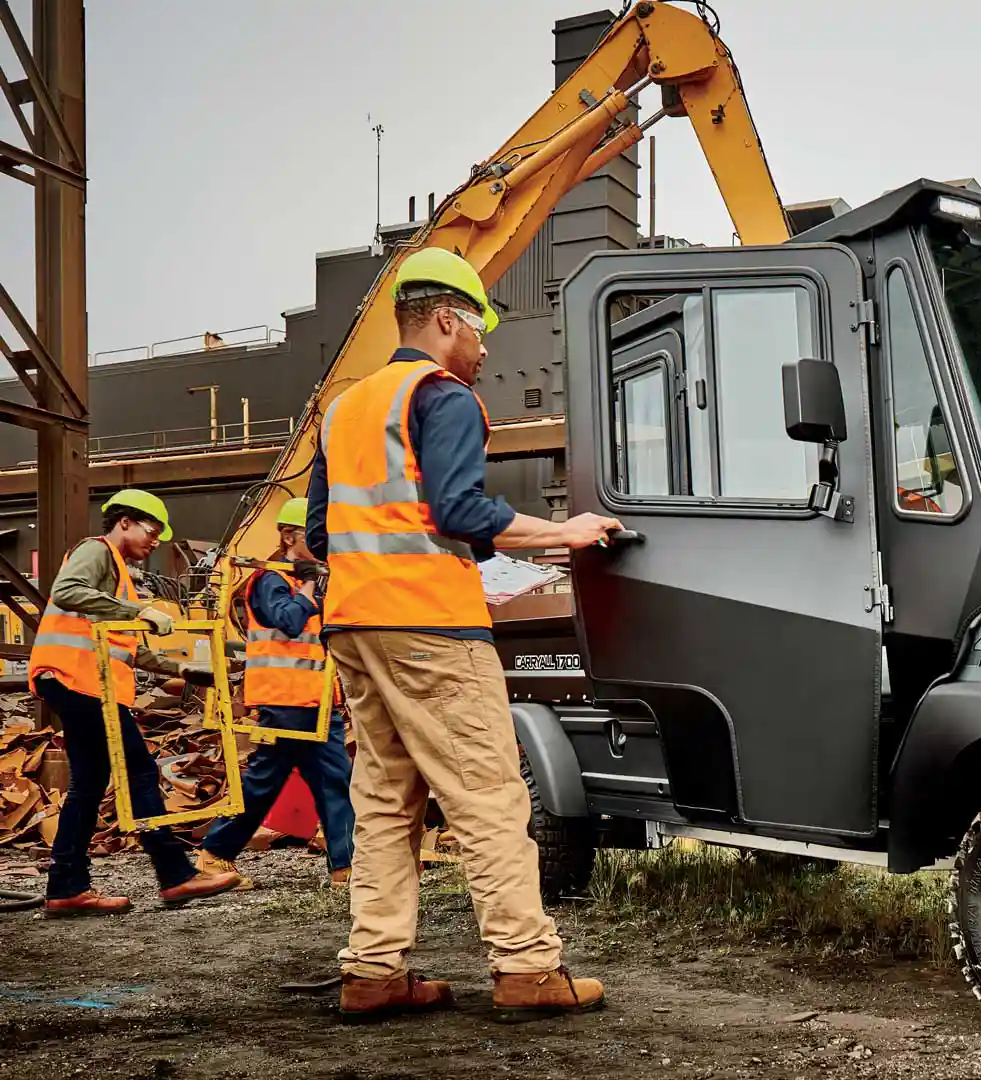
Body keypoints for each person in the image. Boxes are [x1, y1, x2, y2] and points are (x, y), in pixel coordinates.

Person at [306, 247, 623, 1024]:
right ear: (446, 319)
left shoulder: (347, 408)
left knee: (385, 799)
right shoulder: (441, 395)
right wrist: (563, 531)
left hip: (355, 624)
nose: (485, 348)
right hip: (430, 625)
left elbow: (320, 532)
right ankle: (527, 967)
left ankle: (373, 970)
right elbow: (454, 510)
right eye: (480, 330)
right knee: (487, 792)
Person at [29, 489, 243, 915]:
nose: (156, 541)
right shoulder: (97, 552)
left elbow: (125, 647)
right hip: (79, 681)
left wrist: (180, 669)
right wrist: (135, 609)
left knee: (89, 785)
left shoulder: (118, 574)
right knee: (140, 772)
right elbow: (68, 590)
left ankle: (66, 887)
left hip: (81, 682)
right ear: (123, 522)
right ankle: (175, 875)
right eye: (152, 530)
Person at [194, 497, 355, 890]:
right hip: (285, 702)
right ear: (288, 536)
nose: (322, 544)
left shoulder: (305, 583)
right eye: (314, 536)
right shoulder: (268, 579)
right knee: (269, 780)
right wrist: (312, 582)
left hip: (316, 704)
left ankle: (345, 869)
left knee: (335, 781)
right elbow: (287, 620)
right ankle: (214, 853)